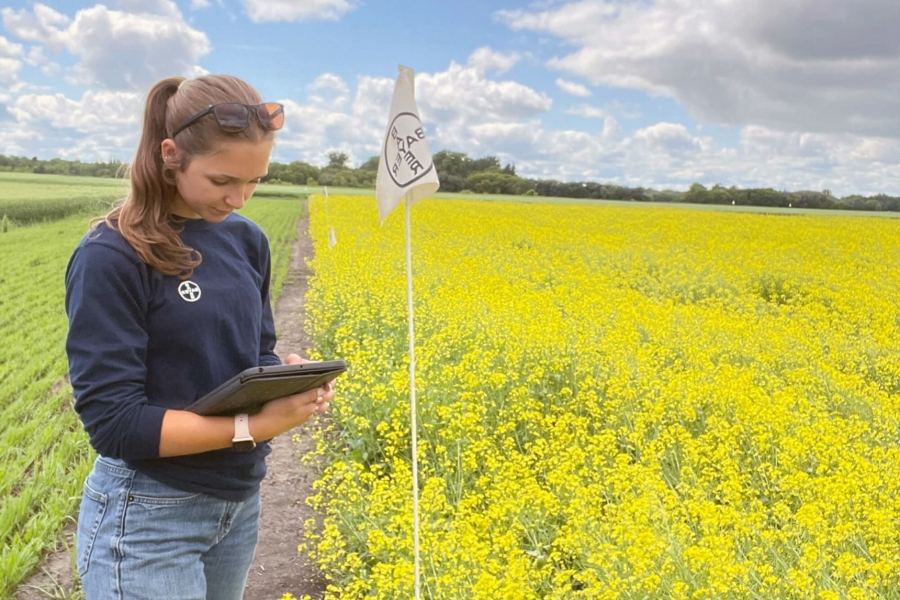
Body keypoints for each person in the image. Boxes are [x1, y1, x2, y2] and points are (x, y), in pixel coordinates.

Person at [64, 74, 335, 600]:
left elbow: (252, 354)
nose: (239, 198)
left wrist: (283, 378)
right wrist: (252, 426)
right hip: (149, 515)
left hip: (237, 504)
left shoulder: (246, 240)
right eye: (221, 181)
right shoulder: (112, 254)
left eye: (255, 181)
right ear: (171, 154)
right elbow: (115, 423)